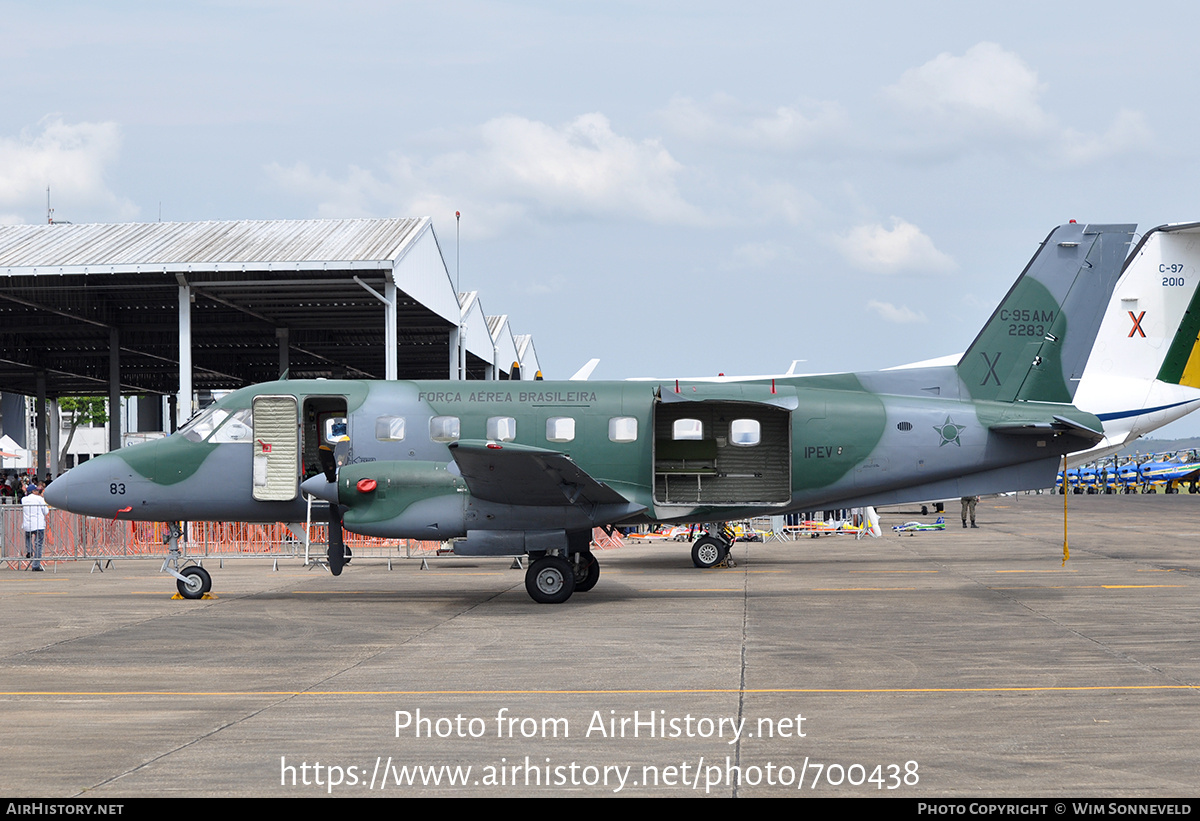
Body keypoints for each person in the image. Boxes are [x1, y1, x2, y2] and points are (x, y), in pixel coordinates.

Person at [22, 482, 47, 571]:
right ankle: (36, 565)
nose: (38, 492)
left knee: (28, 538)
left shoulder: (23, 499)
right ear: (33, 491)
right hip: (38, 524)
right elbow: (46, 511)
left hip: (27, 524)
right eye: (36, 490)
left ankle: (29, 550)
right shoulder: (39, 499)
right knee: (38, 544)